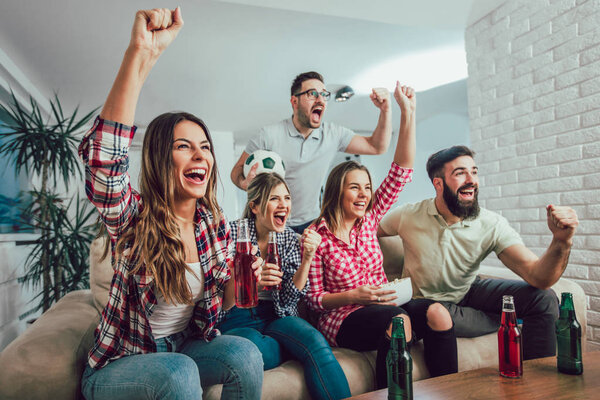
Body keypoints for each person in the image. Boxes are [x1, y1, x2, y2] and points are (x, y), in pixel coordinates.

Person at [78, 8, 263, 399]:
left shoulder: (215, 227)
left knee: (246, 354)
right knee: (178, 373)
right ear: (163, 158)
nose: (201, 156)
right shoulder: (133, 218)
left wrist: (242, 280)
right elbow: (104, 164)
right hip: (122, 363)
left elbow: (223, 304)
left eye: (205, 148)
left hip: (182, 345)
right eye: (184, 147)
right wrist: (139, 53)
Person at [305, 82, 454, 388]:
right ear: (337, 192)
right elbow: (314, 300)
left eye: (367, 187)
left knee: (439, 314)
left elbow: (401, 170)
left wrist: (407, 112)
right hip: (343, 317)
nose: (363, 195)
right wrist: (355, 295)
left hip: (386, 305)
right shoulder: (316, 234)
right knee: (399, 323)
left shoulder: (370, 218)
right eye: (354, 187)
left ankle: (450, 392)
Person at [378, 145, 579, 365]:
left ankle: (537, 385)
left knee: (544, 298)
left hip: (469, 292)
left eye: (474, 171)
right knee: (440, 312)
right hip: (428, 304)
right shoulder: (408, 215)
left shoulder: (491, 223)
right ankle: (502, 319)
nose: (471, 179)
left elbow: (539, 277)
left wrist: (561, 241)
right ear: (438, 183)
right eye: (460, 173)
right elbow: (365, 229)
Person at [217, 172, 351, 400]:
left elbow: (289, 299)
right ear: (255, 207)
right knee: (261, 350)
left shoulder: (289, 239)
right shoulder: (230, 234)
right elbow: (215, 288)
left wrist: (308, 257)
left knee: (314, 341)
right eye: (274, 198)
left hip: (275, 316)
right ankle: (283, 348)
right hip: (235, 317)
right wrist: (252, 279)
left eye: (287, 198)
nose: (284, 205)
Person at [230, 71, 394, 233]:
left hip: (311, 224)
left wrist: (386, 110)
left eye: (324, 94)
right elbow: (236, 172)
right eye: (312, 94)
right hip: (272, 223)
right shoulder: (268, 135)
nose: (320, 100)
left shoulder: (333, 134)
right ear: (294, 101)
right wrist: (244, 184)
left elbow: (376, 147)